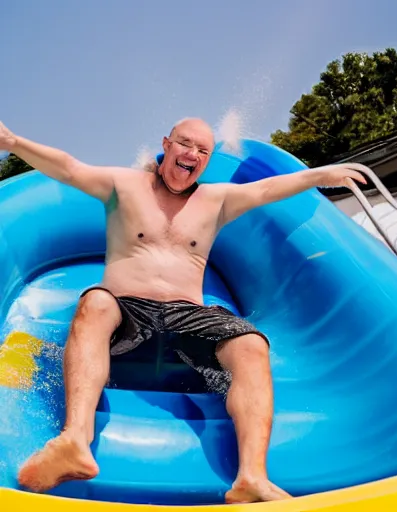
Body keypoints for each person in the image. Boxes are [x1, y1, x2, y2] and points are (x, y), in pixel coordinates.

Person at [0, 119, 366, 504]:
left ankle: (251, 478)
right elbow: (69, 168)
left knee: (251, 344)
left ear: (206, 161)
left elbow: (267, 189)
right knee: (95, 302)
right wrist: (12, 141)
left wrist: (321, 173)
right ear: (166, 145)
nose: (191, 154)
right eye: (184, 144)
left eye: (202, 151)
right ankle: (75, 440)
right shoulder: (123, 186)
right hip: (126, 309)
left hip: (188, 315)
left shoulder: (215, 200)